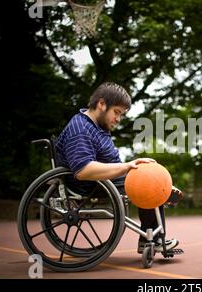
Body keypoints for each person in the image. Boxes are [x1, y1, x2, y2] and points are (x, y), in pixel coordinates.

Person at [55, 82, 181, 254]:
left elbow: (114, 163)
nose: (118, 119)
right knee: (150, 184)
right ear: (101, 104)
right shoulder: (81, 128)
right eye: (117, 112)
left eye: (121, 114)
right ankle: (152, 238)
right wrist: (127, 168)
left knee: (151, 173)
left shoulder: (98, 127)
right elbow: (83, 170)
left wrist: (137, 169)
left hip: (106, 180)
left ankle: (152, 235)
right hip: (90, 185)